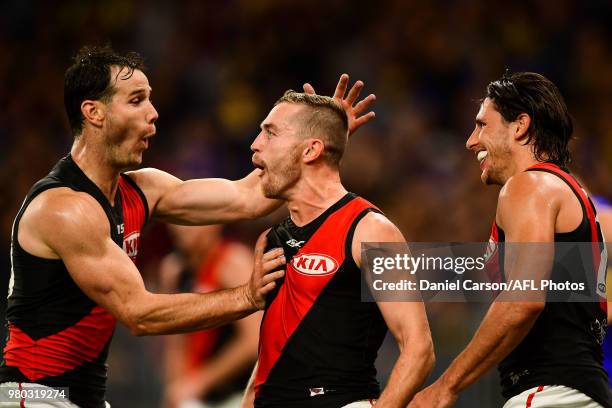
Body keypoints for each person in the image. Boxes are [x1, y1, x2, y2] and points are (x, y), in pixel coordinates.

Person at [0, 45, 375, 408]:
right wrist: (246, 296)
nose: (154, 112)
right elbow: (139, 313)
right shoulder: (65, 209)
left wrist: (321, 139)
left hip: (82, 397)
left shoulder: (142, 190)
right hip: (32, 396)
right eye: (136, 100)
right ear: (93, 113)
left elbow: (250, 197)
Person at [409, 72, 612, 408]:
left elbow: (523, 300)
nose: (471, 141)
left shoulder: (528, 186)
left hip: (550, 395)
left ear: (519, 126)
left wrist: (446, 385)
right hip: (581, 392)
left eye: (482, 125)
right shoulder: (573, 194)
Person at [240, 91, 434, 408]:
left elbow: (419, 348)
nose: (256, 144)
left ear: (311, 149)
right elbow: (271, 352)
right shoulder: (270, 239)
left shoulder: (372, 232)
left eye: (270, 132)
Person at [160, 225, 260, 408]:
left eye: (192, 219)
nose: (183, 228)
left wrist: (202, 381)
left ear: (215, 222)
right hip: (197, 397)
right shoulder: (174, 270)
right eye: (177, 219)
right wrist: (175, 388)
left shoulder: (233, 262)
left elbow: (255, 341)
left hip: (239, 394)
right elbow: (176, 343)